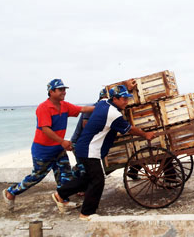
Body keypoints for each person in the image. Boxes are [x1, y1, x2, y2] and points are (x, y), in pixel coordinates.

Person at [51, 85, 155, 221]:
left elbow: (108, 94)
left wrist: (127, 86)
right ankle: (86, 213)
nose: (126, 102)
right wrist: (146, 134)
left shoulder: (103, 103)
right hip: (89, 149)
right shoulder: (113, 113)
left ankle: (60, 194)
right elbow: (130, 129)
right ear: (115, 99)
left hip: (84, 147)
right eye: (123, 99)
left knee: (89, 178)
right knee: (98, 181)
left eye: (127, 99)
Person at [2, 79, 95, 211]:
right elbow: (45, 129)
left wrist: (103, 107)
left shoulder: (64, 105)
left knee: (65, 175)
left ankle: (63, 200)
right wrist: (62, 141)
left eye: (64, 89)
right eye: (60, 89)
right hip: (43, 151)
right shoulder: (43, 108)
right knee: (36, 176)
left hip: (58, 149)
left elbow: (83, 109)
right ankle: (10, 192)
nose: (64, 92)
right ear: (51, 92)